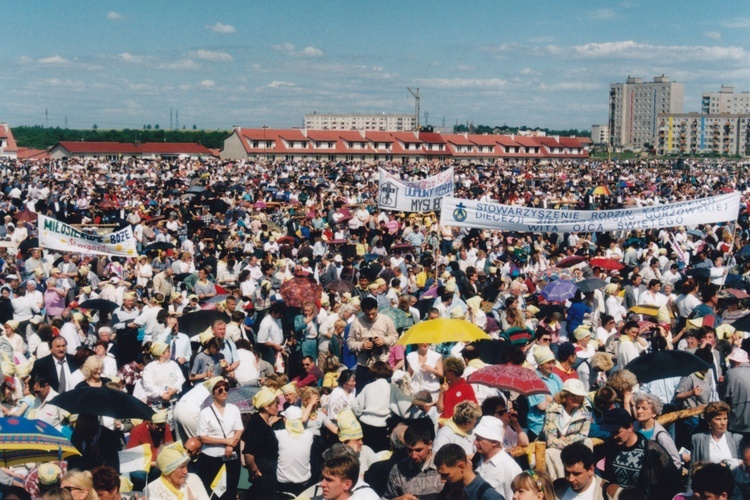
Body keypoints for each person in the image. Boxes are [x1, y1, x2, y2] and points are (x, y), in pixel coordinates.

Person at [600, 408, 681, 498]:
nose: (614, 436)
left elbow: (672, 481)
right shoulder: (612, 448)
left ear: (630, 427)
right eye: (611, 433)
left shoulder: (652, 450)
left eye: (617, 432)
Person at [196, 379, 242, 500]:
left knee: (230, 489)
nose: (223, 392)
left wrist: (231, 445)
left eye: (226, 389)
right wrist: (226, 441)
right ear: (212, 393)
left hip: (230, 455)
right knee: (213, 492)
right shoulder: (205, 413)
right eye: (220, 390)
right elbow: (203, 438)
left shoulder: (234, 409)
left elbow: (239, 430)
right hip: (211, 457)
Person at [346, 297, 398, 393]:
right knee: (363, 393)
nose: (370, 316)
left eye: (373, 314)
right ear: (363, 311)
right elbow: (349, 342)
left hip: (382, 363)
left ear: (377, 308)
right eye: (367, 314)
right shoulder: (357, 322)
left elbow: (395, 337)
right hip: (364, 365)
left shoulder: (385, 320)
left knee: (384, 393)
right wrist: (362, 345)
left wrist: (384, 340)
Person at [383, 419, 443, 500]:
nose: (414, 455)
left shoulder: (444, 464)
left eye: (418, 450)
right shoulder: (399, 470)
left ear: (429, 445)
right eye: (410, 450)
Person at [242, 386, 280, 499]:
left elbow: (244, 438)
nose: (277, 407)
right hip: (263, 470)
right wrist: (255, 470)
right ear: (266, 407)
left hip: (265, 468)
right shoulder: (260, 426)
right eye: (275, 405)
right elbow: (248, 452)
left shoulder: (256, 419)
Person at [473, 415, 522, 500]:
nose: (475, 442)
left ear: (494, 442)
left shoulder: (511, 469)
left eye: (479, 439)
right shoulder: (477, 458)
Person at [434, 443, 503, 500]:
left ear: (461, 467)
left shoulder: (488, 495)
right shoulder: (449, 488)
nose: (442, 480)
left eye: (446, 475)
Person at [352, 361, 393, 453]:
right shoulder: (391, 388)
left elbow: (356, 406)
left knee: (366, 453)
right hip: (383, 426)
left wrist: (358, 415)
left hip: (366, 426)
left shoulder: (368, 387)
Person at [555, 442, 620, 500]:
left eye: (576, 474)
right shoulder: (556, 488)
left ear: (590, 470)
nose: (570, 479)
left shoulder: (611, 493)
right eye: (567, 473)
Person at [632, 393, 681, 470]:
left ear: (654, 413)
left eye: (644, 408)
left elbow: (675, 461)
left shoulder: (661, 436)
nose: (639, 411)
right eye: (638, 408)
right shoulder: (633, 428)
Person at [145, 442, 209, 500]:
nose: (186, 471)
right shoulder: (152, 489)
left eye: (186, 465)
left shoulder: (193, 479)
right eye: (182, 467)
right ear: (168, 471)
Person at [275, 405, 315, 497]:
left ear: (285, 420)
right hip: (304, 483)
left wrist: (270, 421)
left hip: (283, 485)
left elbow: (265, 432)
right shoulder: (309, 435)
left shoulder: (278, 435)